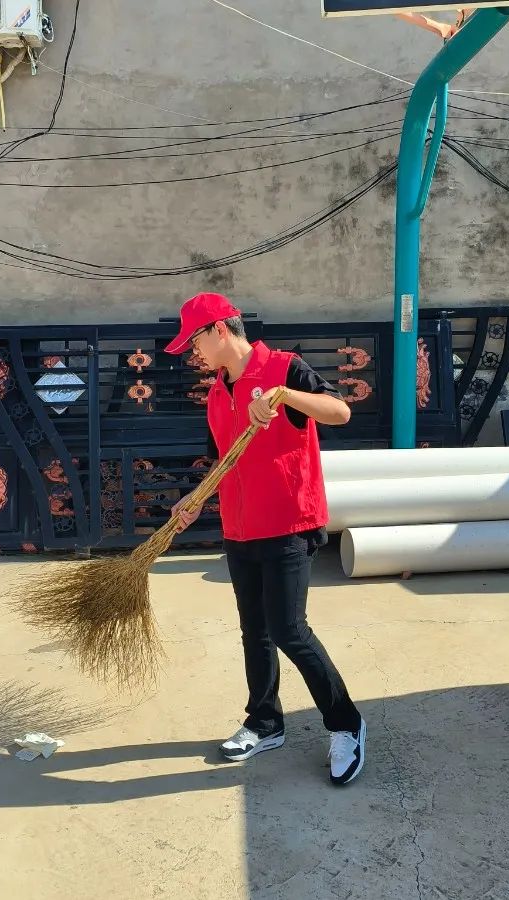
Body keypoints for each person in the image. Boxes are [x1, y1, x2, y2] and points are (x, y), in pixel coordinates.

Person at [165, 292, 366, 787]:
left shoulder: (284, 367)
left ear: (218, 329)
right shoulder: (217, 392)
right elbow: (224, 461)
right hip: (240, 527)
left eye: (194, 342)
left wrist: (282, 396)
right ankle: (265, 722)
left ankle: (346, 724)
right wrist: (195, 498)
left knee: (289, 630)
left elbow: (339, 412)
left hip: (288, 522)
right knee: (253, 630)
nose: (193, 353)